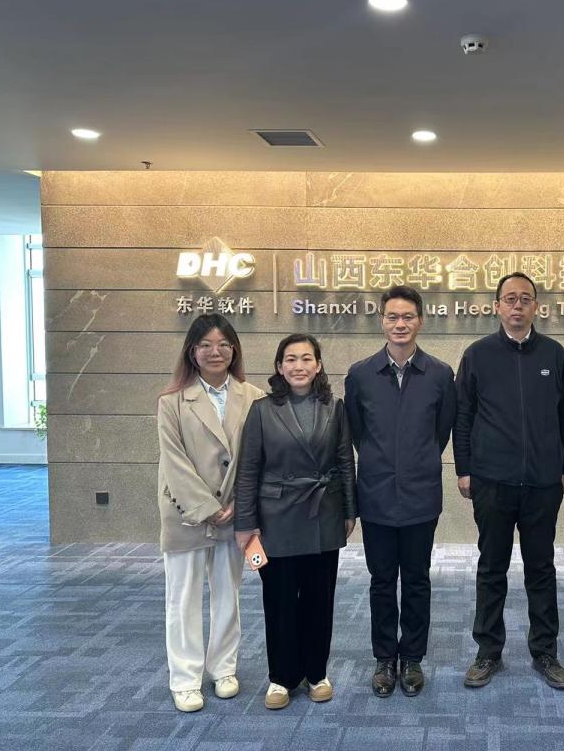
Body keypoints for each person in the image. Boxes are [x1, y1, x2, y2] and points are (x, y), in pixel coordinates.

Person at [454, 272, 564, 690]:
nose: (517, 305)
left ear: (536, 307)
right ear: (497, 307)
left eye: (525, 299)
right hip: (492, 481)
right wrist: (464, 468)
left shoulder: (555, 355)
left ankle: (545, 651)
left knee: (541, 568)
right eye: (510, 299)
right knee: (492, 568)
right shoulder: (477, 354)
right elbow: (463, 415)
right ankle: (488, 651)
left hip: (543, 483)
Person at [344, 285, 457, 697]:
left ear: (420, 321)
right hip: (375, 495)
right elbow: (357, 433)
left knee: (416, 580)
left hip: (420, 495)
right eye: (392, 316)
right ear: (382, 321)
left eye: (408, 316)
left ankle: (411, 658)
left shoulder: (440, 374)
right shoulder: (360, 375)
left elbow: (441, 431)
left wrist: (416, 461)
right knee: (380, 581)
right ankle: (383, 659)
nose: (400, 324)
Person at [234, 334, 356, 709]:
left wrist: (350, 511)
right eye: (290, 359)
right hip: (276, 518)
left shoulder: (334, 407)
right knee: (280, 601)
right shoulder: (261, 410)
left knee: (320, 600)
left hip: (324, 514)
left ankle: (317, 673)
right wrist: (245, 522)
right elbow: (248, 469)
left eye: (306, 359)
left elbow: (345, 461)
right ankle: (282, 678)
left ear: (318, 366)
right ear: (279, 367)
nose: (298, 366)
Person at [156, 313, 266, 713]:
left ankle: (224, 669)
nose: (214, 352)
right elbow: (173, 461)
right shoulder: (172, 401)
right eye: (205, 345)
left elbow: (258, 458)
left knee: (227, 594)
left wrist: (239, 505)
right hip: (186, 513)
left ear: (234, 350)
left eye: (222, 344)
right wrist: (207, 507)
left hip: (235, 513)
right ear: (192, 351)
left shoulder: (254, 397)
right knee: (182, 598)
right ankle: (185, 679)